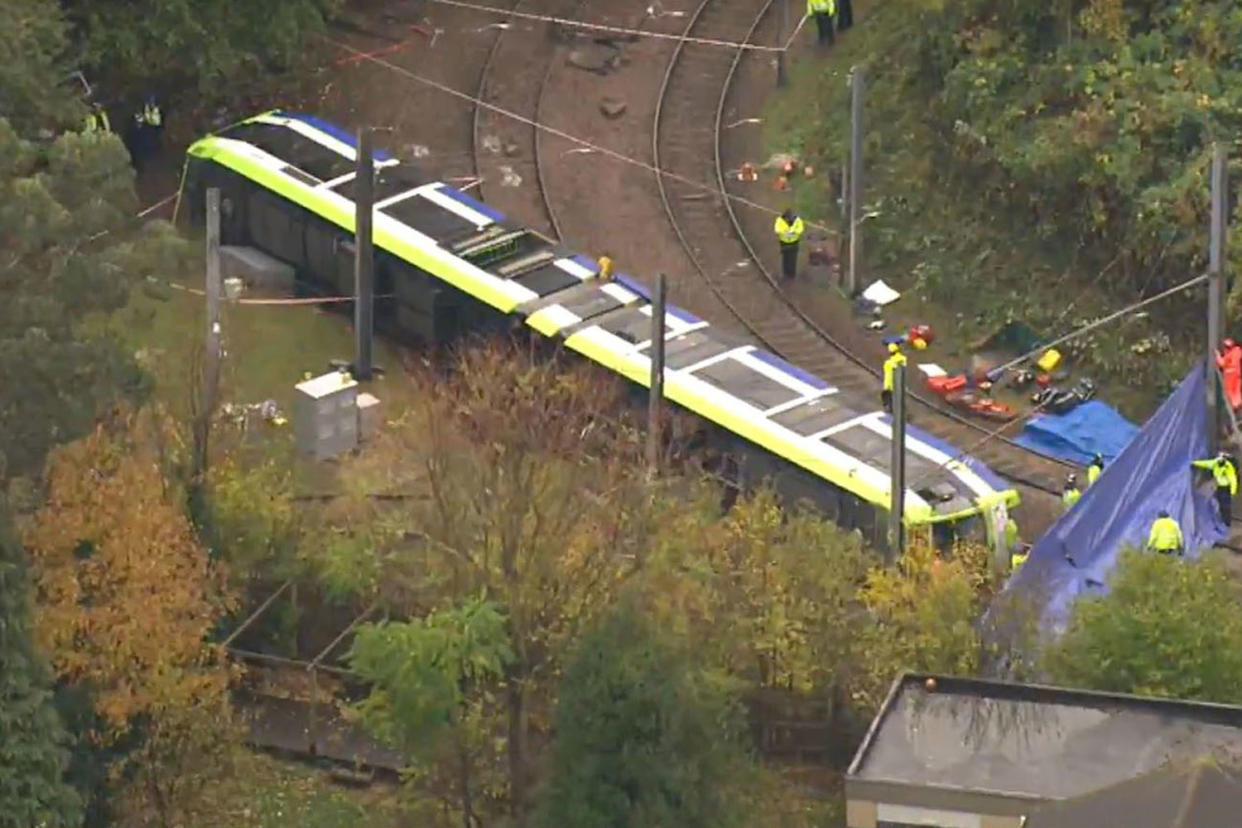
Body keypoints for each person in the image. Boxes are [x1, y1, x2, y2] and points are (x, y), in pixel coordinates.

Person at [1192, 450, 1238, 524]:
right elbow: (1206, 464)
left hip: (1226, 488)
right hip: (1219, 487)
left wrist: (1232, 492)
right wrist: (1194, 463)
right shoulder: (1215, 463)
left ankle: (1227, 520)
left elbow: (1233, 480)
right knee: (1221, 502)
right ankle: (1224, 517)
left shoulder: (1228, 467)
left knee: (1226, 504)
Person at [773, 208, 805, 279]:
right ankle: (785, 274)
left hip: (794, 242)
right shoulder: (780, 220)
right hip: (784, 243)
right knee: (785, 258)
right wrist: (784, 232)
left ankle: (792, 274)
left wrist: (794, 232)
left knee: (793, 259)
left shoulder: (797, 220)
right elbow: (777, 229)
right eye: (788, 219)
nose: (789, 220)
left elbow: (800, 229)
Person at [1218, 338, 1242, 411]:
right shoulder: (1238, 351)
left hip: (1229, 375)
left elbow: (1221, 363)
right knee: (1237, 390)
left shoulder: (1228, 355)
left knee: (1230, 391)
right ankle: (1239, 402)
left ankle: (1236, 404)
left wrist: (1218, 356)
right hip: (1237, 374)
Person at [881, 342, 906, 413]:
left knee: (887, 397)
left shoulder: (888, 363)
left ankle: (890, 408)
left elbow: (887, 374)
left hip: (890, 384)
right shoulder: (903, 359)